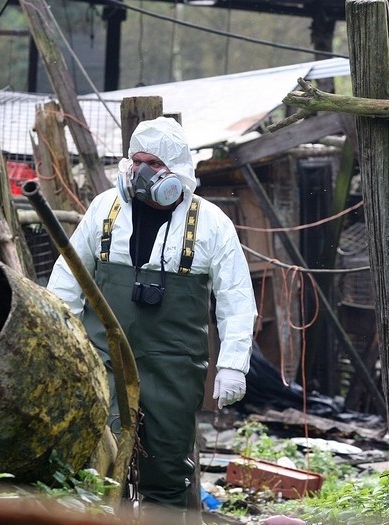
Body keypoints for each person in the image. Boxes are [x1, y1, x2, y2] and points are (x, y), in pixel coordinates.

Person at [47, 116, 257, 516]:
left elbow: (236, 298)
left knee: (167, 468)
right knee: (98, 463)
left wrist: (233, 364)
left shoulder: (212, 223)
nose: (141, 172)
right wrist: (59, 347)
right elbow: (66, 281)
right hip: (104, 360)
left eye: (153, 164)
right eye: (136, 160)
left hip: (174, 368)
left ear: (176, 171)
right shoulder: (104, 209)